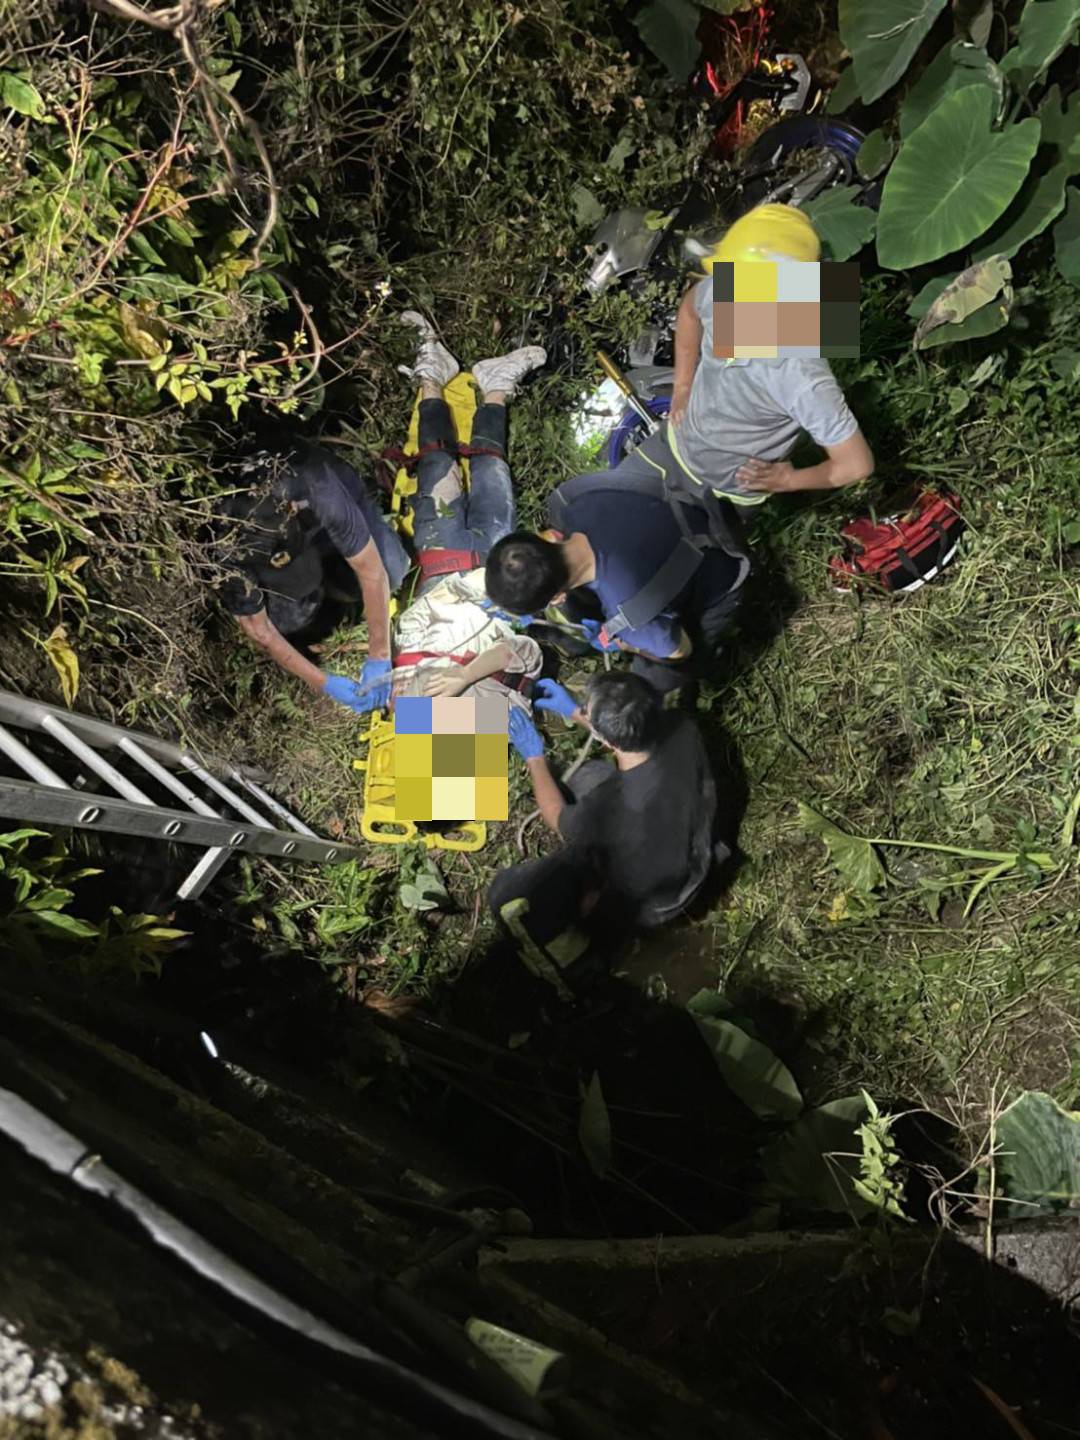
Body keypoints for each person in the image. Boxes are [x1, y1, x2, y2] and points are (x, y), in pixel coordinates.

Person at [359, 312, 549, 709]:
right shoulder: (497, 720)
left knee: (435, 465)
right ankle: (496, 385)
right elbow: (527, 651)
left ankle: (432, 376)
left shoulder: (410, 708)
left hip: (443, 562)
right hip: (497, 570)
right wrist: (467, 674)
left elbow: (405, 631)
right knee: (493, 468)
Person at [490, 671, 724, 980]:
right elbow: (625, 740)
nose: (583, 711)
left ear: (606, 739)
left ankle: (579, 966)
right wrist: (575, 712)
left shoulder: (609, 811)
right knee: (585, 776)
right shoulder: (681, 726)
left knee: (505, 892)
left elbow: (556, 816)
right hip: (692, 846)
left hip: (657, 900)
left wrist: (534, 758)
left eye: (587, 710)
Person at [648, 201, 875, 508]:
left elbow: (857, 464)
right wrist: (683, 385)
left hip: (729, 489)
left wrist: (789, 480)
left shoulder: (803, 376)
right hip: (679, 441)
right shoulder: (728, 290)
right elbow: (690, 310)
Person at [215, 433, 410, 713]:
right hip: (457, 698)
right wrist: (325, 683)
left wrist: (379, 656)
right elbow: (261, 632)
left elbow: (372, 571)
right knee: (290, 618)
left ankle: (339, 577)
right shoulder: (227, 548)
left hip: (325, 517)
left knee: (392, 569)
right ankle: (323, 593)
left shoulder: (313, 484)